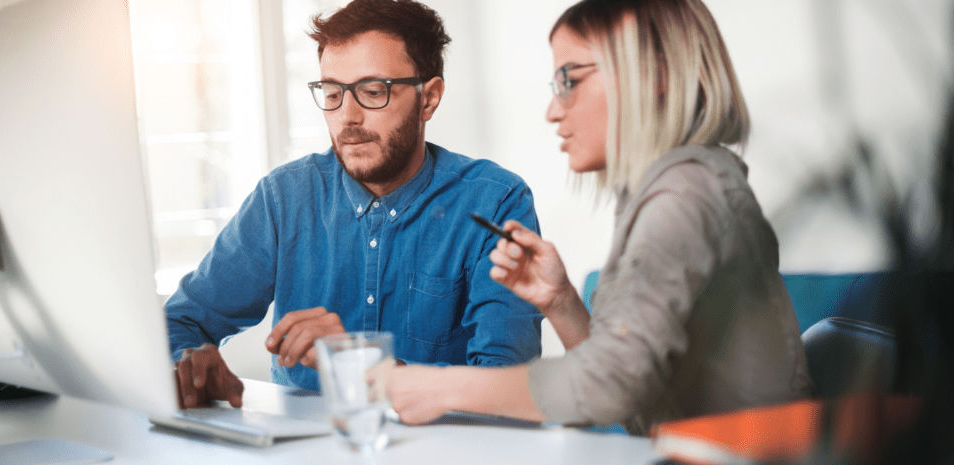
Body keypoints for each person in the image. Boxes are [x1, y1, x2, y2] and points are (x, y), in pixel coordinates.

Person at [386, 0, 812, 435]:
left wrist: (441, 387)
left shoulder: (684, 197)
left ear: (655, 74)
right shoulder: (673, 187)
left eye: (568, 80)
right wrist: (561, 302)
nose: (553, 110)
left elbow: (611, 386)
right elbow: (635, 390)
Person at [166, 0, 543, 409]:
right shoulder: (285, 198)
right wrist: (189, 364)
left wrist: (360, 362)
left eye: (372, 91)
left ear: (429, 98)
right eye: (332, 93)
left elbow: (511, 390)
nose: (348, 117)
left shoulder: (495, 202)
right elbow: (181, 321)